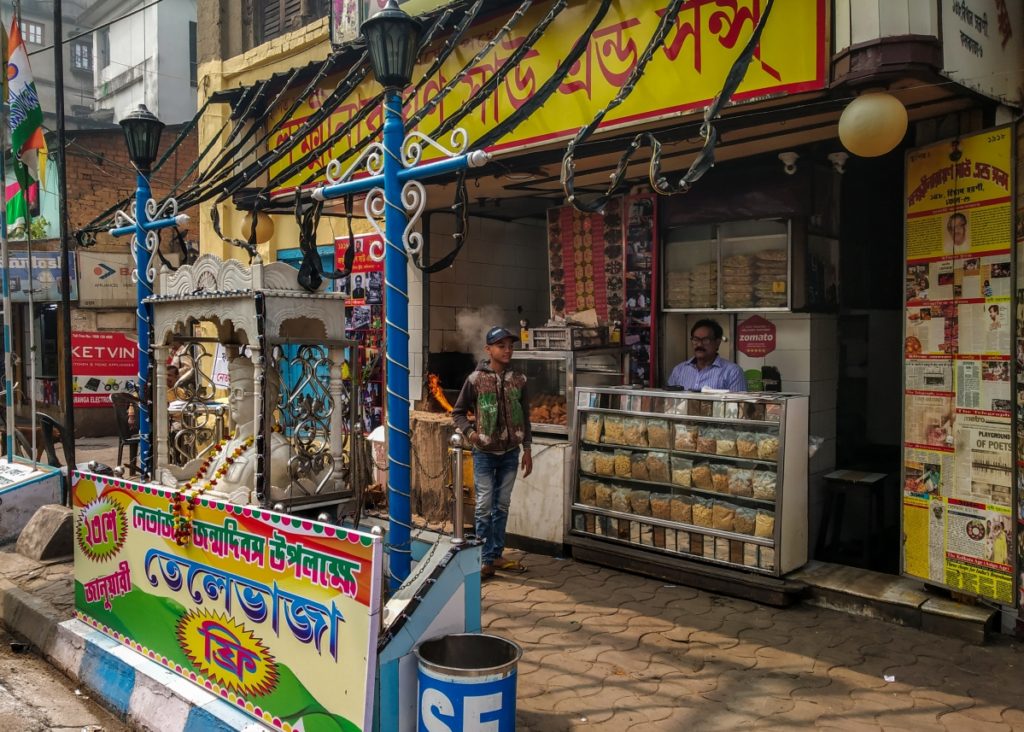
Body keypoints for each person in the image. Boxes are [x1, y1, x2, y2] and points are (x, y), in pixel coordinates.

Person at [452, 325, 533, 579]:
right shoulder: (475, 380)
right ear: (489, 350)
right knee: (484, 506)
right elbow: (458, 412)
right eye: (501, 346)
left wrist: (527, 448)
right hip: (484, 454)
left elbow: (526, 417)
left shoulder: (519, 380)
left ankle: (496, 555)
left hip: (511, 453)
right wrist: (472, 435)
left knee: (502, 505)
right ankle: (483, 558)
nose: (507, 350)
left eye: (510, 345)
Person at [667, 318, 747, 392]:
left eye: (705, 340)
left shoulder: (733, 372)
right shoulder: (679, 370)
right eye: (695, 339)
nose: (699, 344)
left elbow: (738, 406)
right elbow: (669, 403)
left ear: (717, 343)